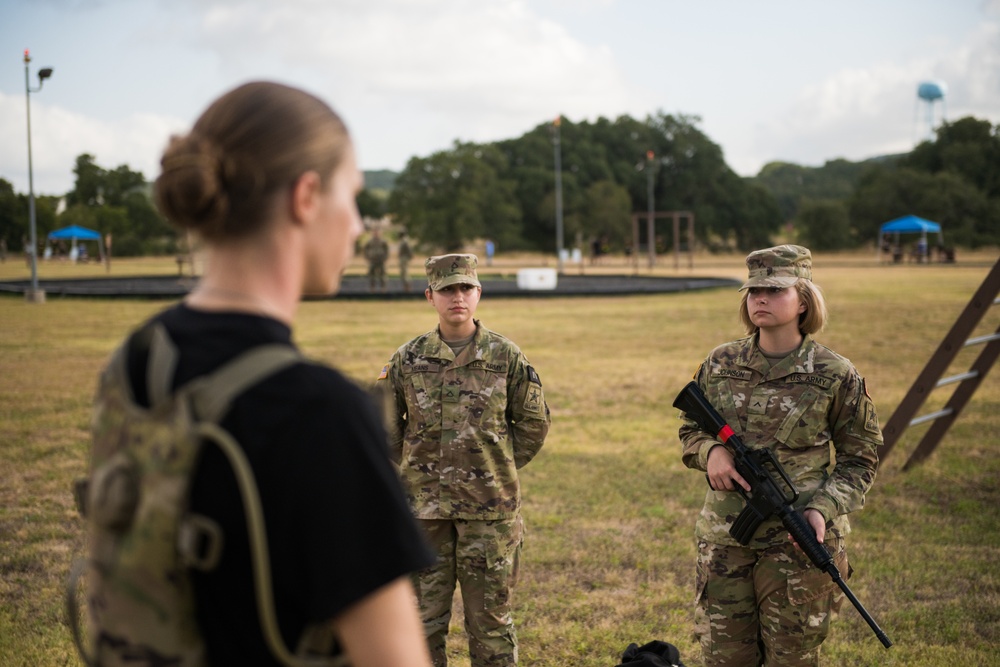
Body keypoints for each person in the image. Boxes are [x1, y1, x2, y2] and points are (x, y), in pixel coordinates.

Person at [117, 81, 434, 667]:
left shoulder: (137, 358)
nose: (360, 226)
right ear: (307, 197)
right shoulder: (319, 410)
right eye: (354, 198)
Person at [678, 245, 881, 667]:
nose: (760, 299)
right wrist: (711, 450)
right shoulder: (721, 363)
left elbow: (860, 460)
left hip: (798, 545)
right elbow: (690, 428)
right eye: (753, 291)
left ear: (803, 300)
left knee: (792, 659)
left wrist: (822, 509)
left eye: (774, 289)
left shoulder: (835, 374)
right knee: (723, 659)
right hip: (725, 539)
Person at [376, 254, 551, 667]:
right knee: (421, 624)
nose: (458, 297)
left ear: (478, 293)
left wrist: (494, 468)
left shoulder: (506, 356)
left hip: (490, 514)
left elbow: (533, 424)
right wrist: (419, 470)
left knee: (490, 624)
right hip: (424, 514)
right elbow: (385, 426)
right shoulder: (408, 358)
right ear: (430, 296)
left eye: (465, 288)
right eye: (447, 289)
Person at [364, 228, 389, 292]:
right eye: (375, 233)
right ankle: (372, 288)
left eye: (377, 233)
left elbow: (387, 250)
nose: (376, 234)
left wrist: (385, 258)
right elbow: (365, 250)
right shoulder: (369, 242)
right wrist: (367, 257)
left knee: (382, 274)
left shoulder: (383, 242)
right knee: (372, 275)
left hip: (381, 259)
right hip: (373, 259)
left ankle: (383, 288)